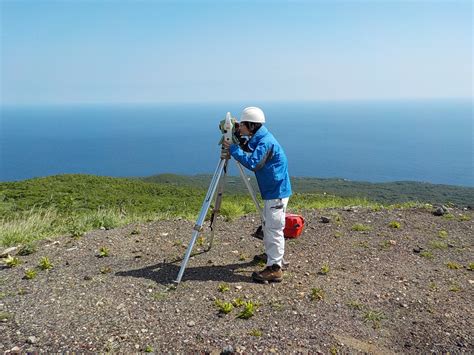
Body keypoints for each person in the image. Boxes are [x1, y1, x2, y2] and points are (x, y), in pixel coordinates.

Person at [223, 107, 292, 283]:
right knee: (268, 223)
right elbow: (250, 147)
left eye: (243, 125)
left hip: (276, 192)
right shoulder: (260, 137)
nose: (240, 128)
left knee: (273, 228)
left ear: (252, 126)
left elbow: (254, 162)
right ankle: (271, 256)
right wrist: (239, 139)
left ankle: (275, 268)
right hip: (274, 189)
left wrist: (233, 149)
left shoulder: (265, 142)